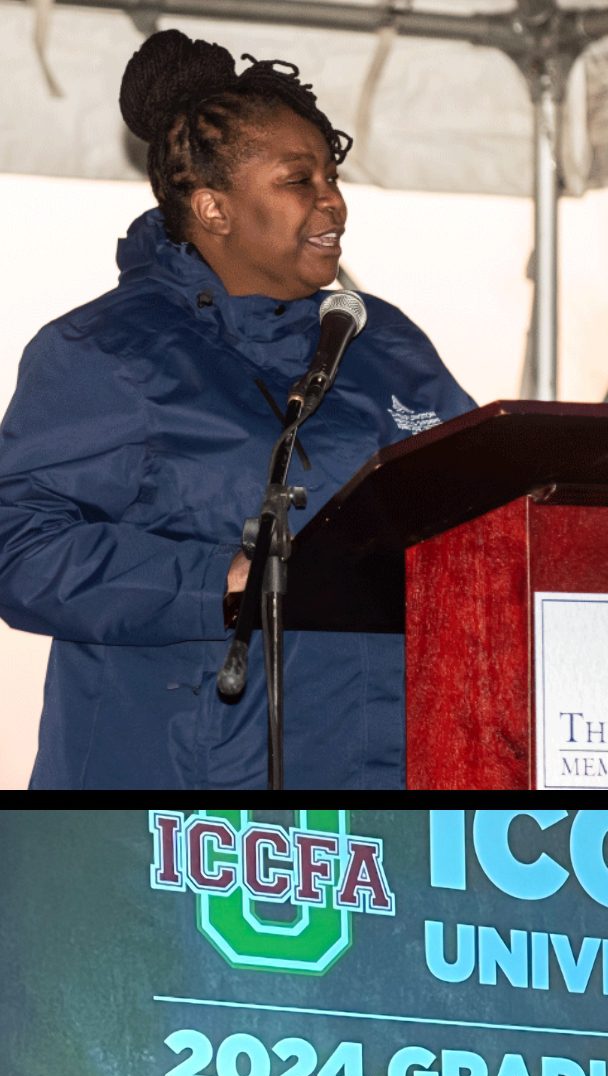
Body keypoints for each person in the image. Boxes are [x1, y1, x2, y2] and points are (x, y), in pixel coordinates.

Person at [0, 27, 477, 788]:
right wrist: (219, 583)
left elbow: (476, 505)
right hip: (174, 805)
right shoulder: (105, 351)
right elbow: (20, 552)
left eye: (332, 175)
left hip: (376, 789)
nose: (334, 202)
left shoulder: (379, 339)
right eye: (300, 180)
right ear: (214, 207)